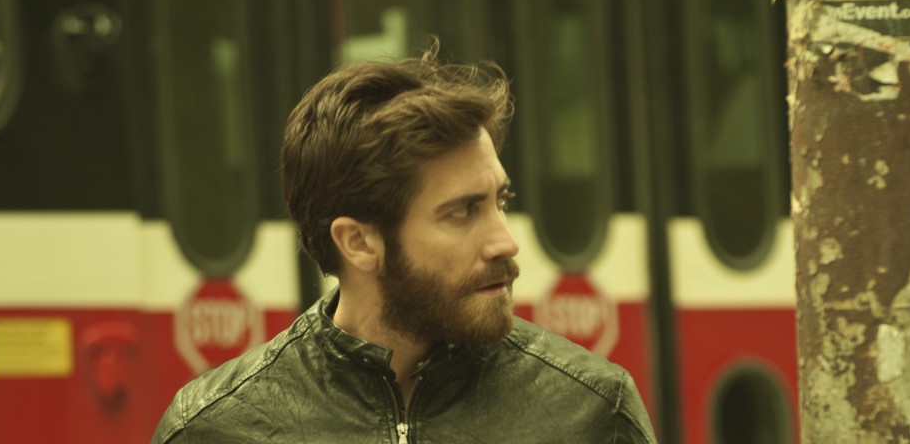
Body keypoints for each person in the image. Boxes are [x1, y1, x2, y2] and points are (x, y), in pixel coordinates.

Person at [151, 44, 657, 443]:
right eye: (462, 212)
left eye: (500, 201)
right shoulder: (213, 429)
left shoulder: (592, 413)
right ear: (358, 242)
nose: (506, 242)